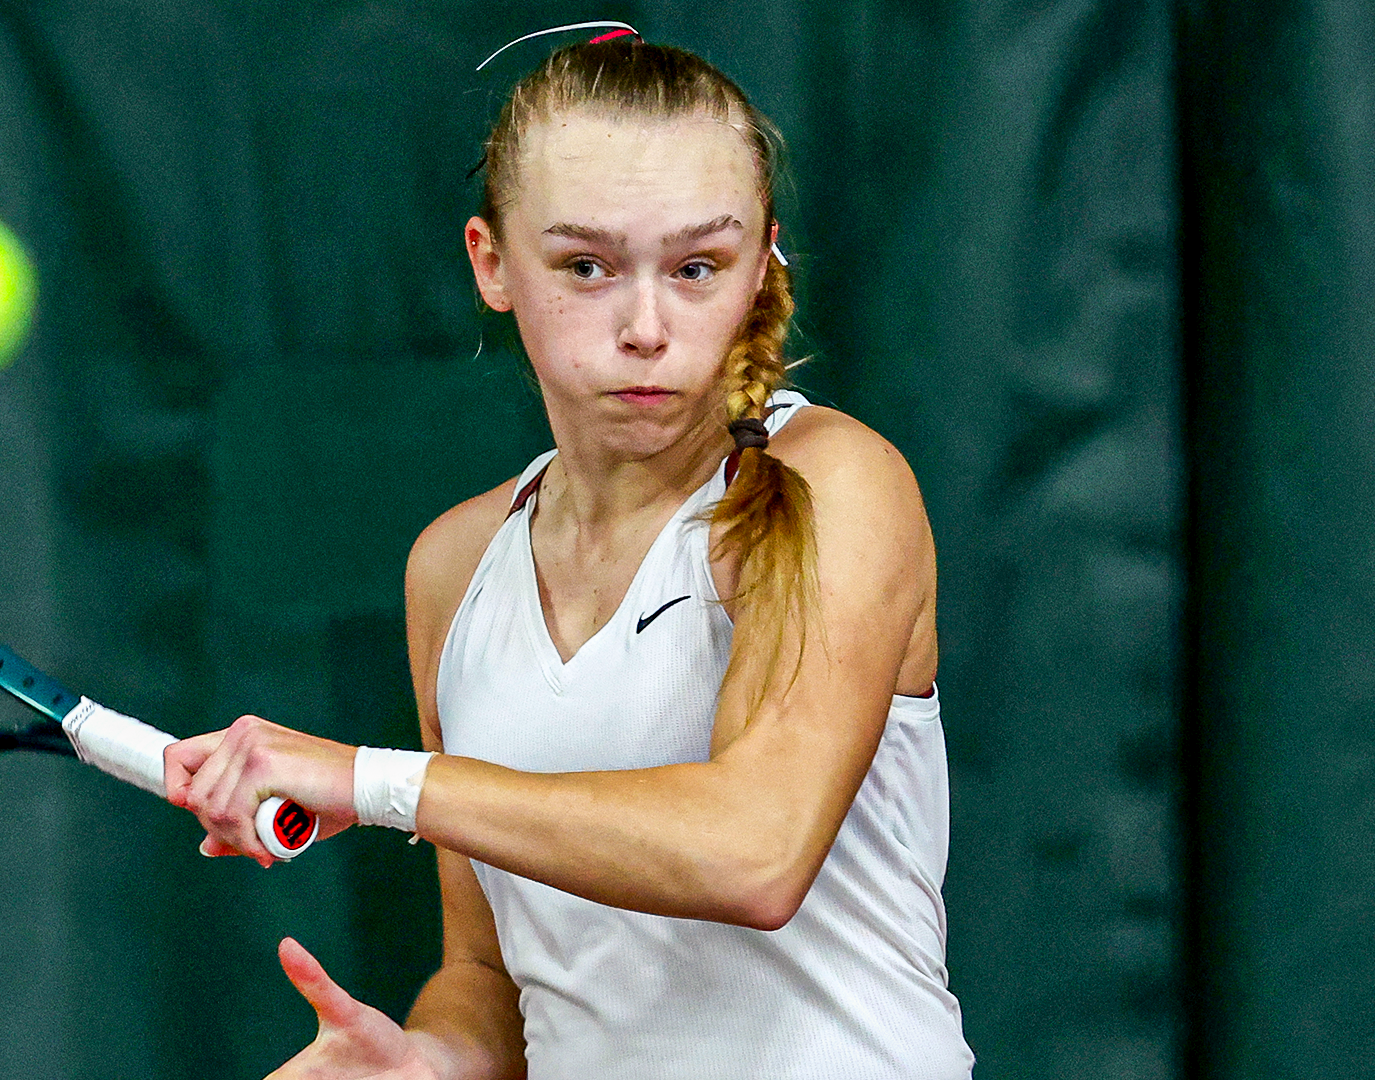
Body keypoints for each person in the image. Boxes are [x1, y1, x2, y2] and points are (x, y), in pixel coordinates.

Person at [162, 34, 973, 1080]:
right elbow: (493, 975)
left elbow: (755, 851)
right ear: (491, 262)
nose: (646, 326)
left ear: (761, 260)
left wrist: (372, 781)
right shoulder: (453, 567)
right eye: (586, 266)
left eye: (696, 268)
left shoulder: (840, 481)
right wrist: (427, 1064)